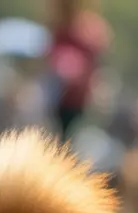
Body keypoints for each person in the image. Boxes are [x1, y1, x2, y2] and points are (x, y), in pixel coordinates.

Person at [45, 0, 111, 141]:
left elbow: (99, 53)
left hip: (82, 98)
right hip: (59, 96)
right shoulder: (60, 27)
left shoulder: (89, 26)